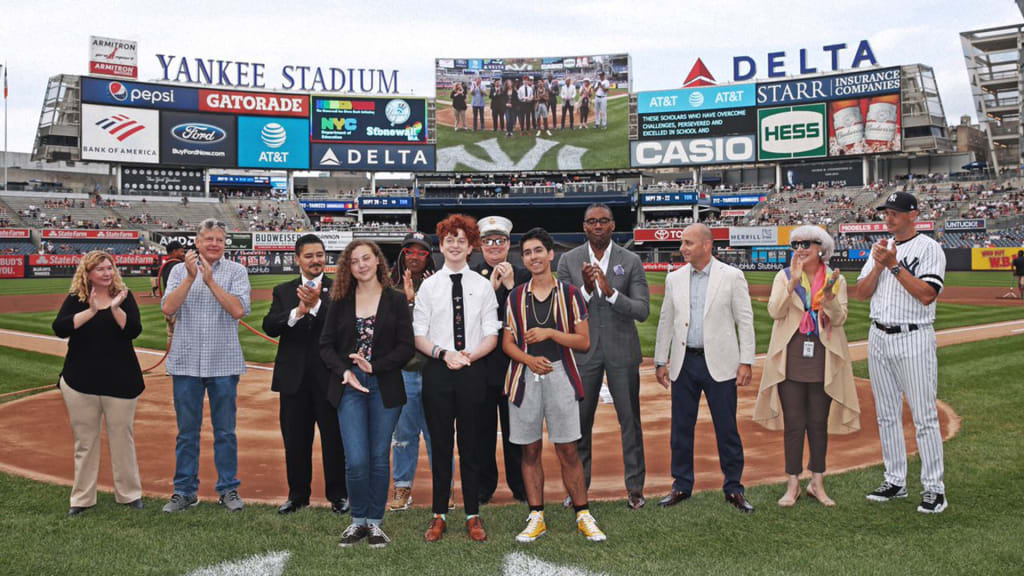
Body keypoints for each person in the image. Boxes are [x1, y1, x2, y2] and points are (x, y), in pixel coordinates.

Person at [503, 227, 607, 543]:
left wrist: (550, 334)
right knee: (529, 449)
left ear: (551, 254)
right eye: (528, 253)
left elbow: (584, 342)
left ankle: (583, 513)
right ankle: (537, 515)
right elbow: (507, 343)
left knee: (568, 449)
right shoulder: (516, 295)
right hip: (524, 375)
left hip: (561, 372)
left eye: (538, 251)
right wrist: (528, 359)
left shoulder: (571, 294)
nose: (533, 257)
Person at [855, 192, 949, 514]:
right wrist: (879, 265)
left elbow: (927, 294)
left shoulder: (929, 248)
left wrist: (893, 265)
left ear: (913, 214)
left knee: (923, 416)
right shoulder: (879, 249)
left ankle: (934, 489)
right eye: (886, 212)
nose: (889, 217)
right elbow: (861, 293)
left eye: (895, 212)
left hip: (913, 336)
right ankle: (895, 480)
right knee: (886, 414)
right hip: (878, 335)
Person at [753, 226, 860, 507]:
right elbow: (775, 312)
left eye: (807, 244)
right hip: (791, 357)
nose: (800, 249)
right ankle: (792, 484)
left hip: (823, 357)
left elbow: (839, 320)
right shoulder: (784, 276)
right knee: (794, 425)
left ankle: (817, 483)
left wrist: (828, 298)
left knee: (817, 424)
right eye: (796, 244)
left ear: (821, 248)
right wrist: (793, 284)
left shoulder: (836, 279)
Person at [653, 223, 756, 513]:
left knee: (727, 429)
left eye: (688, 243)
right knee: (681, 429)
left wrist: (745, 361)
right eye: (682, 243)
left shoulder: (732, 276)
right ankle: (681, 485)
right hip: (685, 363)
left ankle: (734, 487)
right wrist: (661, 360)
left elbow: (744, 321)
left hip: (720, 363)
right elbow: (666, 320)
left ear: (707, 245)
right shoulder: (675, 278)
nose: (683, 248)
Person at [321, 240, 414, 548]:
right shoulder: (341, 300)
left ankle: (374, 523)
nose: (360, 264)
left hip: (383, 385)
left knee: (377, 457)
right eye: (354, 260)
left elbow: (405, 347)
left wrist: (374, 367)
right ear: (349, 267)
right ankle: (357, 521)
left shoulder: (396, 300)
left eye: (366, 258)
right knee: (356, 459)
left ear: (377, 261)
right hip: (349, 385)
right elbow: (326, 346)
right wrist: (345, 371)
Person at [413, 214, 500, 542]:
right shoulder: (429, 286)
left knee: (471, 446)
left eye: (461, 240)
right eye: (449, 239)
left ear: (470, 246)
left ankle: (473, 514)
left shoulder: (482, 285)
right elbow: (418, 335)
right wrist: (443, 354)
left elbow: (492, 333)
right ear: (441, 244)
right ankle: (438, 514)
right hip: (438, 370)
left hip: (472, 370)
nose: (454, 245)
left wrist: (467, 357)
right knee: (440, 445)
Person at [556, 203, 650, 509]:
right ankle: (578, 488)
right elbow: (561, 312)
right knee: (579, 423)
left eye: (604, 221)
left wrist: (610, 293)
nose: (598, 226)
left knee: (630, 423)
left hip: (622, 351)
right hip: (583, 353)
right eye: (592, 222)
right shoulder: (569, 260)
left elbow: (642, 310)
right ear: (584, 227)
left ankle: (635, 488)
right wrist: (584, 290)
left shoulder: (631, 260)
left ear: (613, 226)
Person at [161, 218, 251, 513]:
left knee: (225, 431)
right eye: (208, 239)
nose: (214, 244)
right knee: (187, 432)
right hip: (186, 362)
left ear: (225, 244)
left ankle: (228, 489)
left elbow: (238, 310)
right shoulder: (178, 270)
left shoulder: (236, 271)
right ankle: (184, 491)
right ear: (196, 242)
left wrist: (210, 280)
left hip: (223, 362)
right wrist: (190, 277)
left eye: (219, 240)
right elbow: (168, 308)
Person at [262, 234, 348, 515]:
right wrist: (298, 311)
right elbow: (270, 326)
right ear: (297, 259)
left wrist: (318, 306)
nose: (316, 260)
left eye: (320, 255)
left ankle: (338, 495)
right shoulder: (283, 290)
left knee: (334, 440)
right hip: (293, 380)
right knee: (295, 441)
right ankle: (298, 495)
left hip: (328, 379)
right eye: (309, 256)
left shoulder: (340, 289)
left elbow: (344, 328)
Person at [52, 251, 144, 516]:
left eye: (109, 268)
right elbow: (60, 328)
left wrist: (115, 308)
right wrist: (91, 311)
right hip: (80, 381)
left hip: (121, 379)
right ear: (88, 273)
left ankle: (129, 494)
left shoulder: (124, 297)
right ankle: (82, 498)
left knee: (122, 438)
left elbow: (133, 330)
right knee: (85, 441)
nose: (107, 273)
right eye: (100, 269)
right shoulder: (76, 299)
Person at [472, 216, 529, 505]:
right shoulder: (470, 275)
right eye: (488, 241)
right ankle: (484, 487)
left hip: (513, 365)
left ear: (509, 244)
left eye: (500, 241)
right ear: (479, 245)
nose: (494, 246)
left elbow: (528, 318)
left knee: (515, 430)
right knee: (481, 430)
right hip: (481, 367)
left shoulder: (523, 275)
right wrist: (491, 290)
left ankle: (520, 486)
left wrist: (510, 286)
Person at [388, 231, 439, 511]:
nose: (415, 256)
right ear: (403, 255)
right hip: (405, 371)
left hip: (434, 371)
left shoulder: (440, 284)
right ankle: (402, 487)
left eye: (421, 252)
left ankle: (443, 487)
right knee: (404, 434)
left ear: (429, 256)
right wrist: (409, 302)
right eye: (410, 251)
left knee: (437, 433)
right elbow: (393, 331)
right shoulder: (390, 288)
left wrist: (426, 298)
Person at [158, 241, 185, 347]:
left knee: (171, 336)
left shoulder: (167, 264)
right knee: (180, 339)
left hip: (170, 306)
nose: (183, 254)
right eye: (181, 251)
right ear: (174, 252)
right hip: (177, 307)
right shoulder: (177, 266)